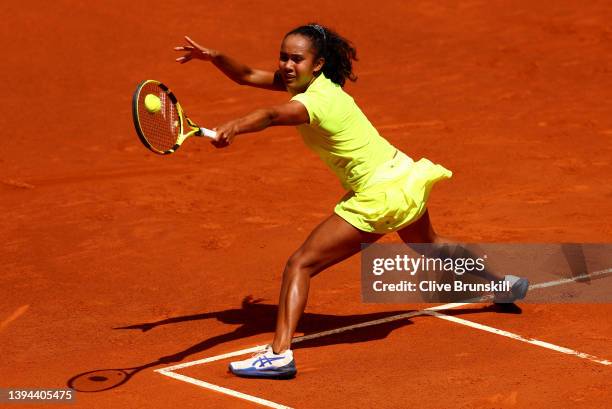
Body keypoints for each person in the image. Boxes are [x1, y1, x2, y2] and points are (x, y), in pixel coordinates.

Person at [174, 23, 527, 379]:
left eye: (297, 58)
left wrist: (233, 126)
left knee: (300, 265)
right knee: (429, 245)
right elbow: (247, 75)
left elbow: (270, 115)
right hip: (402, 175)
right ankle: (501, 286)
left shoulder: (311, 103)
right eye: (283, 57)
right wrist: (213, 57)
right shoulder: (318, 85)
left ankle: (279, 354)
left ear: (318, 63)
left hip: (378, 194)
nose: (287, 65)